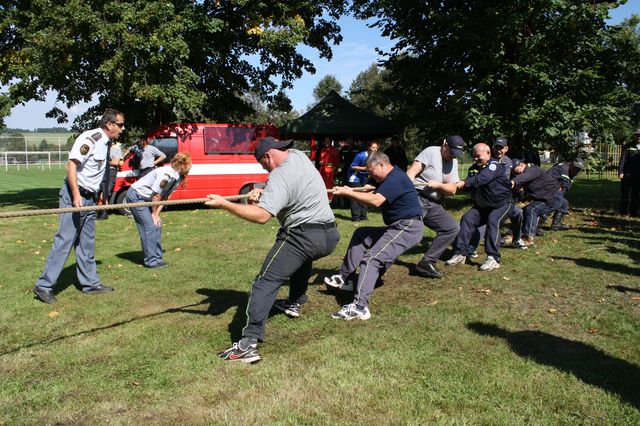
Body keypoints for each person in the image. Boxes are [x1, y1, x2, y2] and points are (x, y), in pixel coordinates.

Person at [204, 137, 339, 363]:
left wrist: (225, 204)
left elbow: (262, 216)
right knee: (301, 260)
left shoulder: (278, 175)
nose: (263, 168)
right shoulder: (299, 156)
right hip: (329, 237)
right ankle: (294, 300)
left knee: (264, 282)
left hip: (303, 236)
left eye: (262, 163)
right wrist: (263, 190)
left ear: (268, 155)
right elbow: (286, 184)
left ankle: (248, 344)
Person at [32, 109, 125, 304]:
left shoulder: (106, 143)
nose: (123, 129)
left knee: (86, 242)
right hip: (75, 196)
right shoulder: (90, 138)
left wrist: (100, 196)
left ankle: (90, 284)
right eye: (120, 125)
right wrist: (76, 195)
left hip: (90, 199)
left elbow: (97, 172)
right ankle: (44, 286)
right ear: (109, 125)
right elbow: (71, 165)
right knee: (65, 241)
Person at [324, 151, 424, 319]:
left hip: (408, 227)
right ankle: (346, 278)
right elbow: (369, 192)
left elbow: (376, 200)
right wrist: (350, 189)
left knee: (372, 259)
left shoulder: (395, 178)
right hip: (397, 226)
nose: (370, 176)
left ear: (382, 165)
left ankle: (360, 306)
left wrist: (349, 193)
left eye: (371, 171)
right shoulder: (386, 177)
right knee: (361, 234)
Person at [445, 143, 513, 271]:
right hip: (484, 206)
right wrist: (452, 186)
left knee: (493, 220)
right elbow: (470, 185)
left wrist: (463, 183)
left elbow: (483, 178)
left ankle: (493, 258)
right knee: (467, 218)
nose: (475, 159)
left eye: (478, 156)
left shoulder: (494, 165)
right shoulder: (473, 168)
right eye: (474, 156)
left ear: (488, 154)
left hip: (502, 204)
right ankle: (460, 253)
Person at [406, 135, 464, 279]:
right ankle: (377, 257)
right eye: (450, 152)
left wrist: (438, 185)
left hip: (434, 203)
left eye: (455, 154)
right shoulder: (431, 152)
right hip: (417, 198)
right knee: (409, 233)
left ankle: (426, 262)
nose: (452, 157)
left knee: (452, 228)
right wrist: (405, 193)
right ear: (444, 144)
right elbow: (411, 172)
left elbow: (452, 190)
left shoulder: (453, 161)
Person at [126, 152, 192, 268]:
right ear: (182, 165)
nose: (190, 167)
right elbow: (156, 195)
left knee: (157, 224)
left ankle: (157, 257)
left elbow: (165, 197)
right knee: (149, 226)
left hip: (149, 199)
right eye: (188, 164)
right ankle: (151, 261)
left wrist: (156, 214)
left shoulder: (178, 177)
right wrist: (153, 214)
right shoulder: (166, 174)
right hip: (137, 195)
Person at [467, 136, 525, 254]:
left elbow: (510, 179)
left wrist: (516, 184)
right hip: (489, 197)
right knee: (486, 220)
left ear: (506, 149)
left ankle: (517, 239)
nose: (498, 150)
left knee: (518, 213)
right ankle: (472, 248)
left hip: (504, 197)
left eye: (501, 148)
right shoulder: (488, 160)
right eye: (496, 147)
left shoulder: (508, 163)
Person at [511, 159, 560, 246]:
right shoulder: (525, 178)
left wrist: (514, 181)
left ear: (522, 165)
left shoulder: (532, 170)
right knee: (523, 211)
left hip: (553, 197)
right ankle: (515, 235)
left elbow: (525, 176)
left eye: (517, 171)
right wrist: (520, 192)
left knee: (531, 210)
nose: (517, 174)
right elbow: (524, 198)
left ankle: (528, 238)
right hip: (543, 199)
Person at [547, 157, 584, 230]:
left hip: (557, 193)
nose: (577, 170)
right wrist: (556, 187)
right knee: (555, 203)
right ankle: (537, 225)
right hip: (548, 192)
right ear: (571, 165)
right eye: (575, 168)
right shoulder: (561, 168)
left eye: (579, 169)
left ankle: (556, 224)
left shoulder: (571, 173)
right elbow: (547, 178)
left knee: (564, 204)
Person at [348, 141, 379, 221]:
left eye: (376, 147)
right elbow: (352, 166)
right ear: (368, 147)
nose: (375, 149)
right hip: (355, 177)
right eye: (373, 147)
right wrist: (364, 168)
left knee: (365, 195)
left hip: (365, 178)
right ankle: (356, 217)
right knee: (356, 196)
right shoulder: (361, 155)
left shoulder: (376, 156)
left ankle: (363, 216)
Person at [96, 141, 123, 220]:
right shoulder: (103, 148)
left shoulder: (116, 149)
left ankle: (104, 213)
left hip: (111, 172)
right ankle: (102, 213)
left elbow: (116, 162)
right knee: (100, 193)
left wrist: (105, 161)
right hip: (102, 172)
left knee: (105, 193)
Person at [618, 129, 640, 217]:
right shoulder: (628, 146)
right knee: (625, 194)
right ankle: (623, 212)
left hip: (638, 175)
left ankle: (633, 213)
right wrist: (620, 171)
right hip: (627, 174)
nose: (639, 137)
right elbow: (623, 159)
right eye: (637, 135)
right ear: (634, 136)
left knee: (636, 194)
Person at [318, 136, 340, 201]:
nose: (326, 143)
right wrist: (320, 162)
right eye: (325, 141)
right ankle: (322, 199)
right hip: (322, 172)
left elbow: (337, 163)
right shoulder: (322, 150)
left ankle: (329, 200)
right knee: (322, 185)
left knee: (329, 186)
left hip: (330, 173)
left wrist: (333, 172)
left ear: (330, 142)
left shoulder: (334, 151)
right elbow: (321, 160)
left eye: (327, 141)